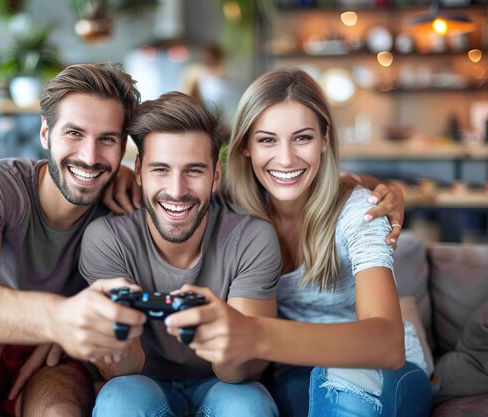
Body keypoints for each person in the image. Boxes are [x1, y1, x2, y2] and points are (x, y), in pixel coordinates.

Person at [166, 68, 432, 417]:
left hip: (380, 371)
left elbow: (386, 343)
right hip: (294, 369)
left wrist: (254, 333)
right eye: (267, 140)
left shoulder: (358, 212)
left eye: (302, 138)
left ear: (325, 139)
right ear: (245, 145)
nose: (287, 158)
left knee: (343, 390)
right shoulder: (228, 208)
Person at [0, 63, 148, 417]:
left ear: (122, 149)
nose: (90, 156)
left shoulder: (124, 204)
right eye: (74, 133)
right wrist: (56, 319)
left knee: (59, 411)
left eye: (107, 140)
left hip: (53, 356)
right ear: (45, 133)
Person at [79, 91, 281, 417]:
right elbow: (120, 370)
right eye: (161, 170)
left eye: (194, 171)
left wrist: (229, 333)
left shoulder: (252, 238)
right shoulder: (107, 238)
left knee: (248, 403)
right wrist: (116, 340)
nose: (176, 190)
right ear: (139, 171)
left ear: (216, 176)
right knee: (120, 398)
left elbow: (243, 371)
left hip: (222, 382)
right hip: (141, 381)